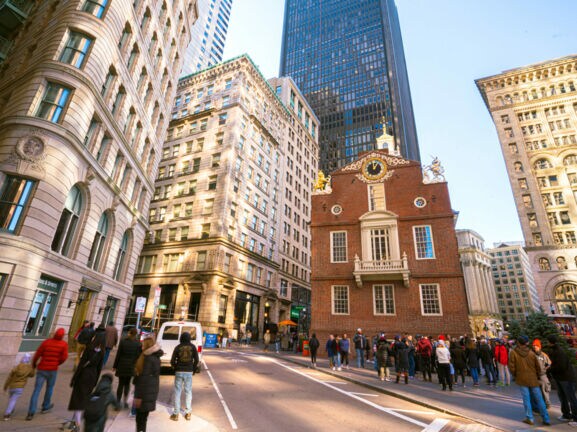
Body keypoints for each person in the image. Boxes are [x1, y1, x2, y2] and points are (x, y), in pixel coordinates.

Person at [27, 327, 68, 421]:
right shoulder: (63, 344)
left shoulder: (47, 342)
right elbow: (64, 357)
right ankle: (45, 406)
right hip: (52, 370)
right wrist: (57, 363)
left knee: (36, 390)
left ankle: (31, 412)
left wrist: (34, 364)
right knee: (49, 388)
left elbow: (38, 354)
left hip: (42, 368)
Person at [508, 335, 550, 426]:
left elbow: (511, 367)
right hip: (533, 379)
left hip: (521, 378)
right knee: (539, 399)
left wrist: (516, 375)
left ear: (518, 343)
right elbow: (538, 367)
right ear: (526, 343)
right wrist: (537, 375)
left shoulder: (513, 353)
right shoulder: (531, 353)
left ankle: (529, 418)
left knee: (526, 399)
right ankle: (546, 418)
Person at [68, 331, 106, 431]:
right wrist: (95, 382)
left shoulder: (89, 348)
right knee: (83, 399)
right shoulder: (102, 351)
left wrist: (74, 377)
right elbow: (99, 369)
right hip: (92, 376)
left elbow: (81, 364)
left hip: (83, 375)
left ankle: (77, 423)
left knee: (78, 399)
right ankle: (74, 421)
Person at [133, 337, 163, 432]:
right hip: (150, 393)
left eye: (143, 345)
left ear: (147, 346)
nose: (141, 347)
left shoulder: (148, 359)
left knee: (140, 420)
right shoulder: (154, 358)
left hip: (143, 394)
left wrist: (138, 397)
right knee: (143, 419)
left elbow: (143, 380)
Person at [547, 334, 577, 423]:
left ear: (550, 342)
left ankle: (575, 417)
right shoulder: (554, 350)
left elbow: (561, 366)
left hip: (566, 378)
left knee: (571, 398)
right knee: (562, 397)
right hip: (560, 378)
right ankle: (566, 414)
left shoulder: (559, 351)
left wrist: (550, 369)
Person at [170, 332, 199, 421]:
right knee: (188, 392)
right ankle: (188, 413)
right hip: (189, 371)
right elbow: (197, 360)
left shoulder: (178, 347)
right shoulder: (193, 347)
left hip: (179, 371)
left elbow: (172, 360)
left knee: (177, 392)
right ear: (189, 338)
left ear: (181, 338)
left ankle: (176, 414)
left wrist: (175, 367)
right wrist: (193, 369)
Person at [113, 327, 141, 409]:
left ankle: (117, 403)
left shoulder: (123, 341)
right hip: (131, 366)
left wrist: (115, 366)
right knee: (127, 384)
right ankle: (125, 402)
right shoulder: (138, 343)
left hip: (122, 364)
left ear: (129, 333)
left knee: (120, 384)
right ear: (136, 334)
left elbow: (118, 354)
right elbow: (138, 356)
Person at [3, 353, 34, 421]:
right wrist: (33, 368)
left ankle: (10, 410)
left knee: (11, 399)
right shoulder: (29, 368)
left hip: (12, 386)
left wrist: (5, 386)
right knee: (13, 400)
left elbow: (9, 377)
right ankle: (7, 414)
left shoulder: (17, 367)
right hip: (20, 387)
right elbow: (32, 375)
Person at [532, 339, 551, 408]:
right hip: (534, 375)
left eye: (536, 346)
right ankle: (537, 405)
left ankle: (547, 403)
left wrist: (544, 369)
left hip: (542, 375)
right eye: (533, 346)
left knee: (545, 389)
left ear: (539, 346)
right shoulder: (531, 354)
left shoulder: (543, 355)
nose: (534, 347)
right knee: (535, 391)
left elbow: (549, 364)